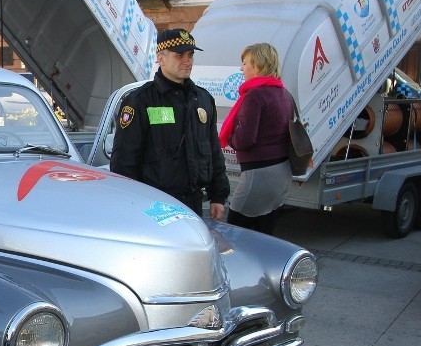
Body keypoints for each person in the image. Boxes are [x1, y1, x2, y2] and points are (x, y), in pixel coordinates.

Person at [109, 28, 229, 219]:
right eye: (179, 55)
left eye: (190, 55)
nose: (187, 61)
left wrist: (218, 195)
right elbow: (125, 159)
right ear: (161, 58)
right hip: (154, 204)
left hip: (193, 203)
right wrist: (129, 203)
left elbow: (213, 150)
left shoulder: (203, 99)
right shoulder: (140, 100)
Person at [218, 42, 294, 235]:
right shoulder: (283, 92)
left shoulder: (255, 96)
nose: (241, 68)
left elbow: (245, 140)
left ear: (258, 65)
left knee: (235, 232)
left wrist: (232, 138)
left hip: (258, 174)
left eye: (245, 63)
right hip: (282, 171)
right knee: (265, 233)